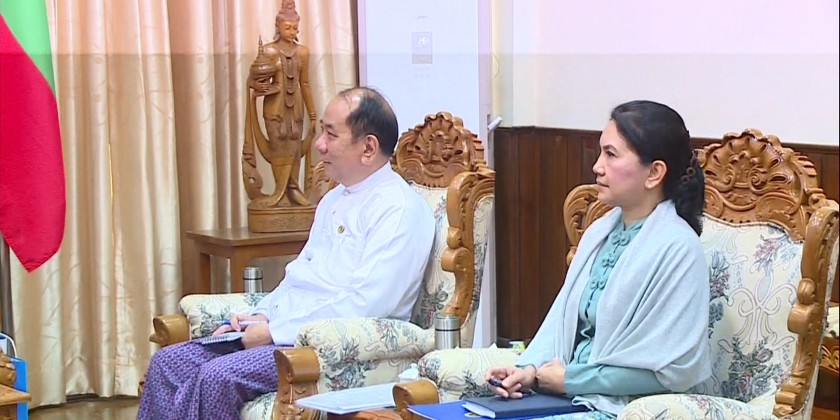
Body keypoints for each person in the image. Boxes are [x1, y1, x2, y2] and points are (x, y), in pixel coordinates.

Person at [138, 87, 436, 420]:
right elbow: (300, 277)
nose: (319, 144)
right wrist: (262, 315)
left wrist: (275, 332)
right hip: (283, 331)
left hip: (320, 348)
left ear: (368, 148)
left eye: (331, 134)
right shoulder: (333, 200)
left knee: (216, 377)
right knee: (167, 363)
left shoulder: (399, 209)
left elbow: (369, 304)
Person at [486, 100, 711, 418]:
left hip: (625, 408)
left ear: (654, 173)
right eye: (600, 152)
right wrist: (530, 372)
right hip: (568, 397)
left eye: (611, 154)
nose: (597, 167)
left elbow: (672, 371)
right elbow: (560, 326)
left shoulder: (679, 249)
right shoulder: (599, 233)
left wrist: (571, 380)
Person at [243, 0, 316, 207]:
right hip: (274, 107)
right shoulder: (269, 51)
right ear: (278, 27)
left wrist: (312, 113)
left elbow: (305, 83)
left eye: (295, 28)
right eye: (287, 27)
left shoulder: (303, 52)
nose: (292, 32)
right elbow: (255, 79)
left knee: (294, 147)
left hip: (296, 107)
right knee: (278, 147)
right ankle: (280, 192)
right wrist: (258, 86)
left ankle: (294, 190)